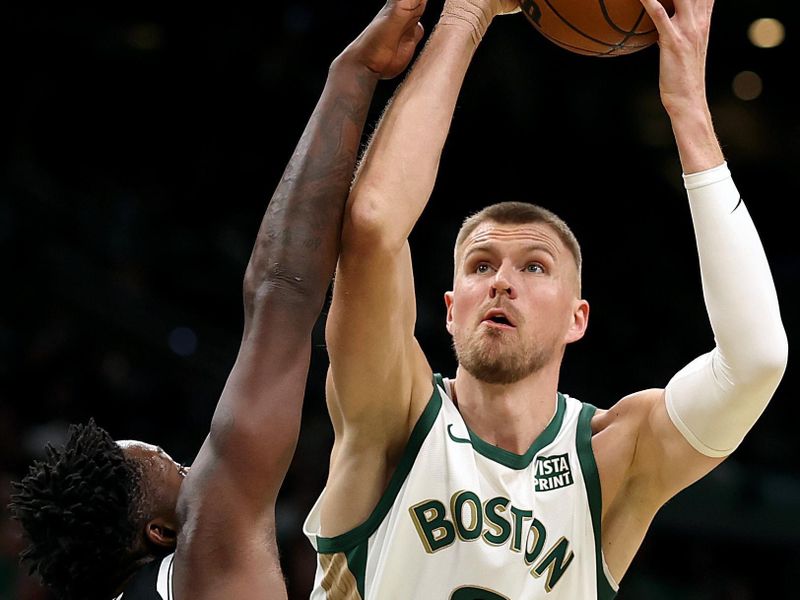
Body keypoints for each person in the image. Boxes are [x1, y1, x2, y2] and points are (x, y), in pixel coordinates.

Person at [302, 0, 788, 598]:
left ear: (577, 319)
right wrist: (466, 15)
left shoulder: (613, 454)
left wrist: (687, 105)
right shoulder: (393, 419)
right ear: (451, 309)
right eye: (481, 266)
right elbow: (374, 226)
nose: (502, 281)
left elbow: (758, 359)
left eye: (534, 266)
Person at [8, 2, 426, 599]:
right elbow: (280, 291)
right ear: (158, 531)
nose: (187, 463)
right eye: (169, 467)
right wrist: (352, 74)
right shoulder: (207, 539)